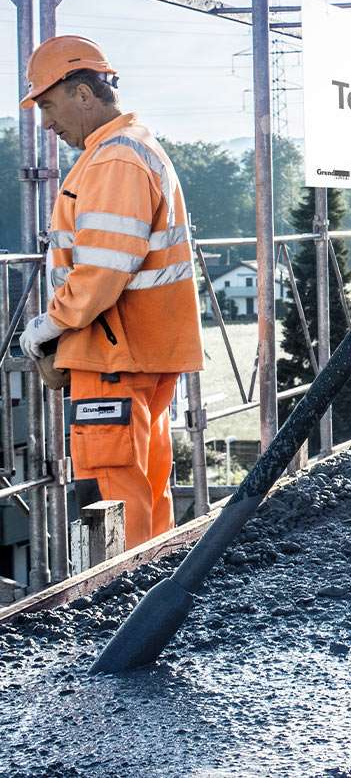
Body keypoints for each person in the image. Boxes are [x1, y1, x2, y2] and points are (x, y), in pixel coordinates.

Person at [18, 36, 202, 548]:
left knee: (114, 493)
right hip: (140, 350)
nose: (48, 124)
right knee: (145, 485)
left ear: (82, 93)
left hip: (114, 354)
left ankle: (122, 607)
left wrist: (47, 326)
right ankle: (152, 592)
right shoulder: (132, 147)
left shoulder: (113, 161)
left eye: (49, 106)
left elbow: (101, 271)